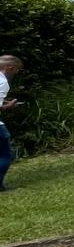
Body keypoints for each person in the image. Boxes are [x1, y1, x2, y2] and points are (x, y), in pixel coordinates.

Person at [0, 55, 22, 192]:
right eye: (17, 69)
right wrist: (9, 106)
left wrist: (3, 103)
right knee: (5, 154)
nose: (17, 73)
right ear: (10, 67)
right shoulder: (2, 82)